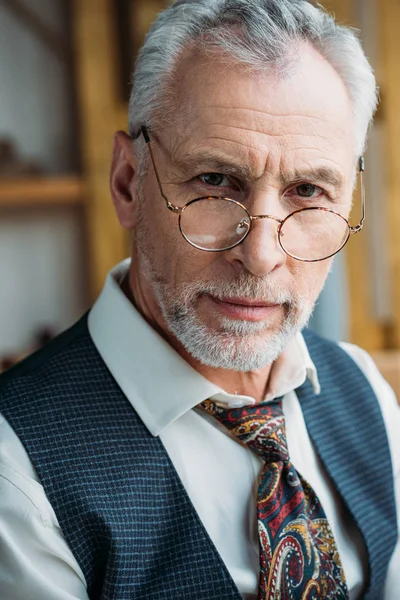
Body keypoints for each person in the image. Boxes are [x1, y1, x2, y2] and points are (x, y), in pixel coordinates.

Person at [0, 0, 399, 598]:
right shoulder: (16, 470)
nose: (261, 253)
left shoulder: (364, 389)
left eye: (309, 190)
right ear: (128, 183)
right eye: (215, 181)